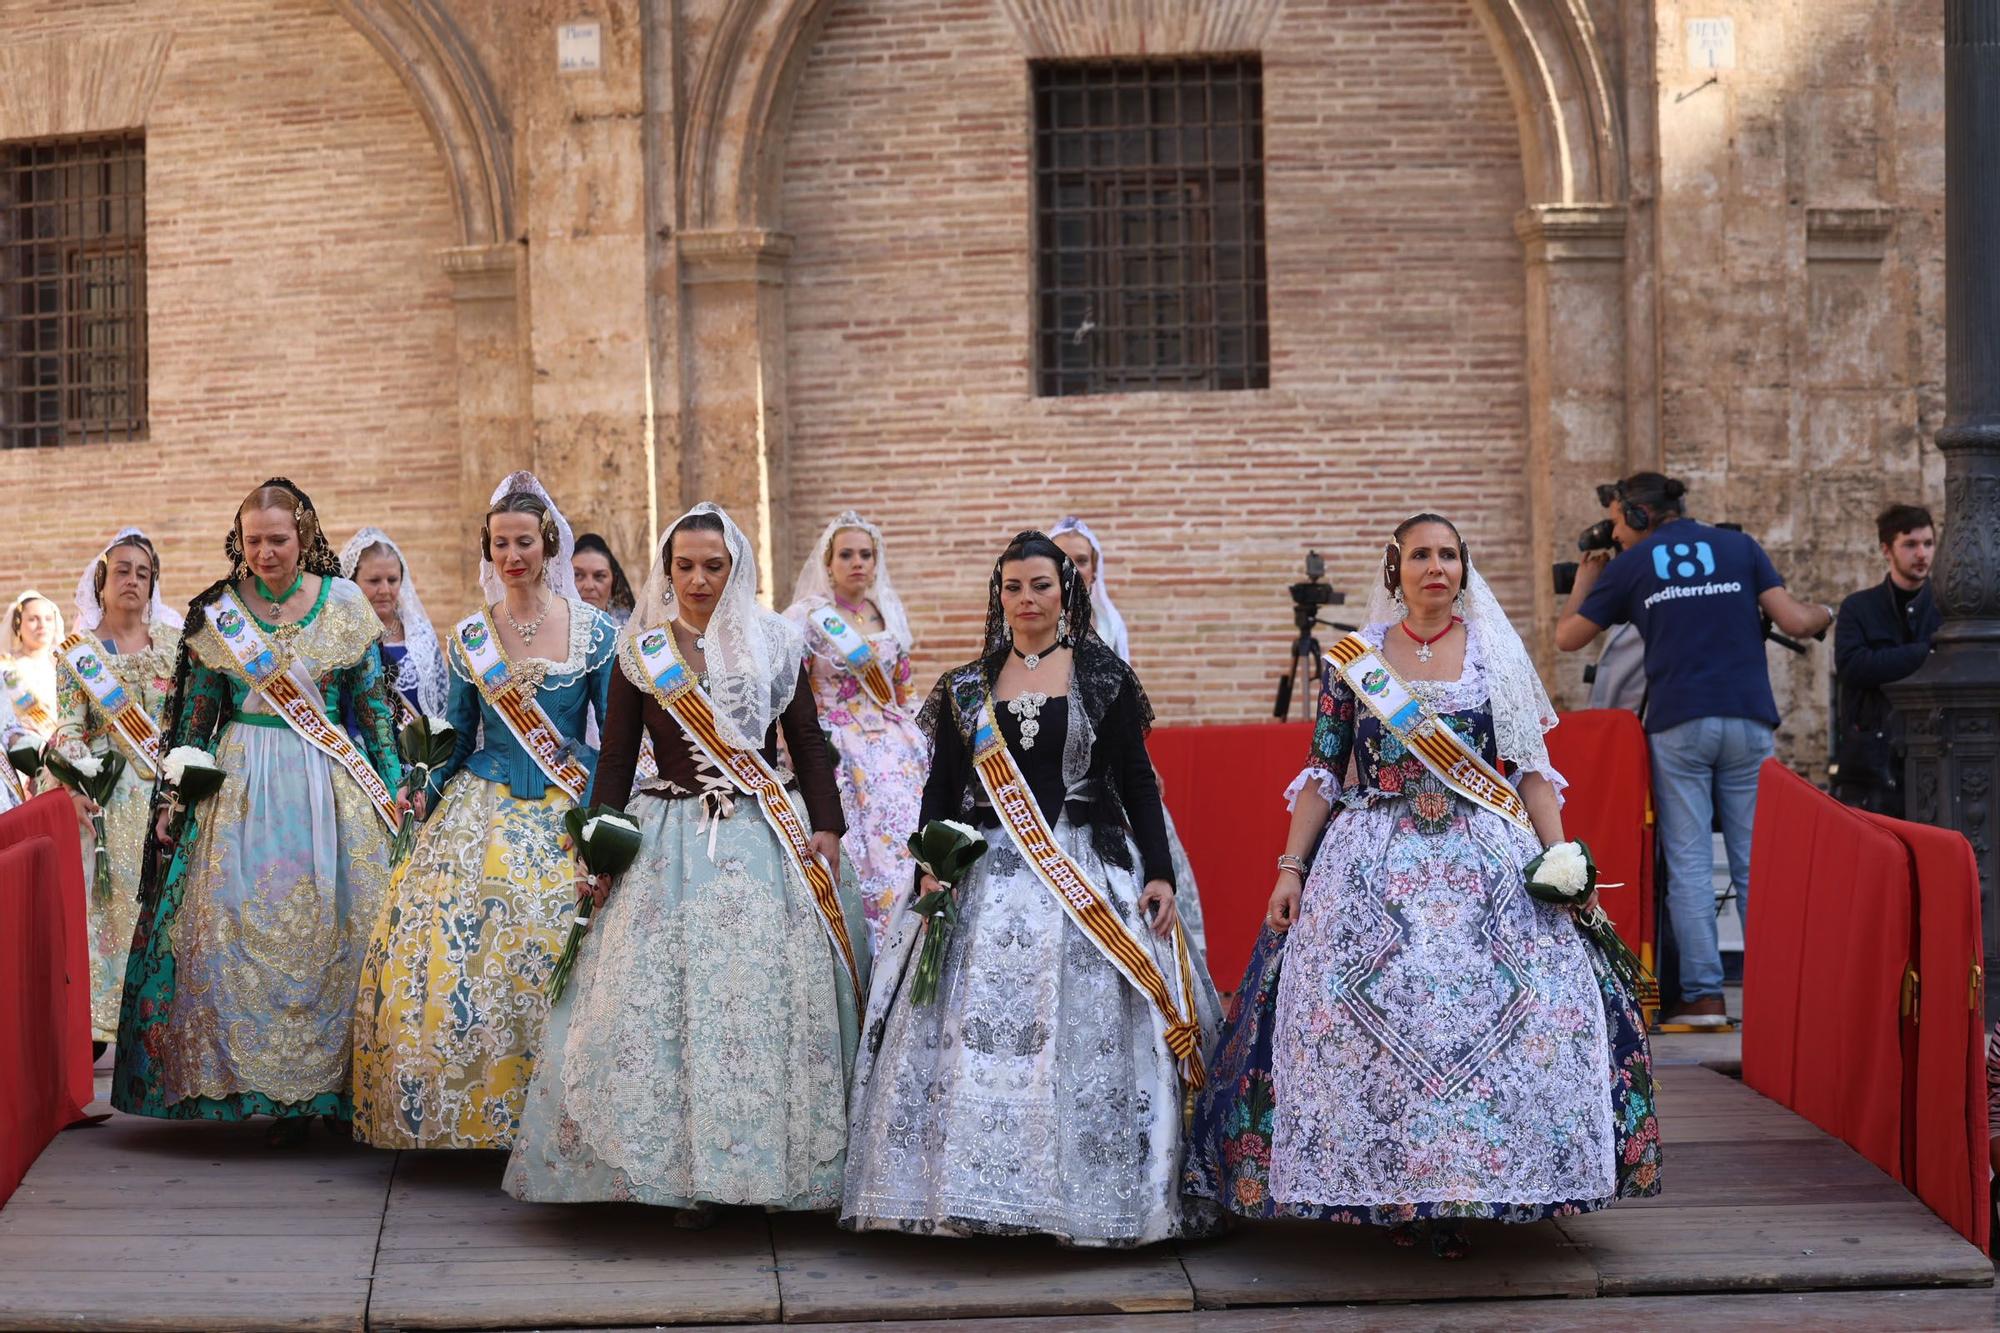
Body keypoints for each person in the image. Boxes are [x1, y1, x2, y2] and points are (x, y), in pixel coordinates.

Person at [1188, 514, 1661, 1258]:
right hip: (1372, 865)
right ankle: (1394, 1188)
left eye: (1447, 554)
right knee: (1367, 1017)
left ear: (1463, 569)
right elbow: (1322, 773)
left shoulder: (1498, 655)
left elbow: (1532, 775)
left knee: (1509, 1015)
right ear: (1395, 569)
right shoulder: (1358, 659)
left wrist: (1564, 860)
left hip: (1488, 864)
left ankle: (1477, 1183)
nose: (1434, 566)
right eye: (1419, 555)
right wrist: (1290, 869)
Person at [843, 531, 1220, 1247]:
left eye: (1041, 585)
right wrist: (931, 864)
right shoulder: (968, 686)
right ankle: (969, 1192)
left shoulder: (1101, 677)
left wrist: (1161, 870)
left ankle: (1087, 1200)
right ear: (1000, 594)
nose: (1027, 600)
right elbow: (942, 789)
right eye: (1013, 586)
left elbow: (1137, 781)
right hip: (984, 875)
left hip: (1083, 871)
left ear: (1065, 592)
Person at [505, 502, 866, 1219]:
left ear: (735, 567)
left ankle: (765, 1166)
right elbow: (613, 757)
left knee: (763, 1001)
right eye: (685, 565)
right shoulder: (641, 654)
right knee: (666, 1001)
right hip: (669, 835)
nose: (699, 578)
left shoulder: (775, 641)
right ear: (666, 570)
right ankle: (672, 1170)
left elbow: (807, 739)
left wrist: (826, 824)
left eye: (713, 565)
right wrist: (599, 840)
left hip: (767, 834)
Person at [112, 479, 405, 1145]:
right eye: (254, 540)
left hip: (328, 785)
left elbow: (375, 711)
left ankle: (333, 1093)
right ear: (239, 542)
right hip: (240, 788)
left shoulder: (347, 605)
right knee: (234, 933)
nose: (266, 551)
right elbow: (195, 718)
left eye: (278, 538)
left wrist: (392, 784)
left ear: (304, 535)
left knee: (338, 932)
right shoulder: (219, 613)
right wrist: (172, 799)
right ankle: (253, 1087)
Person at [351, 477, 616, 1150]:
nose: (512, 555)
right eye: (499, 544)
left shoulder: (595, 632)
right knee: (462, 953)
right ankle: (473, 1116)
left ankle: (564, 1111)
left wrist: (579, 759)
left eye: (523, 541)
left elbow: (616, 735)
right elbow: (459, 733)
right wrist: (423, 787)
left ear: (546, 542)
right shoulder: (471, 637)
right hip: (480, 807)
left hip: (564, 806)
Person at [1556, 472, 1832, 1028]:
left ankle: (1705, 998)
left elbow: (1568, 637)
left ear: (1637, 515)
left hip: (1679, 724)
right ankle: (1772, 998)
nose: (1614, 536)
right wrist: (1827, 612)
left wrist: (1587, 578)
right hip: (1748, 719)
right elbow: (1798, 621)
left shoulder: (1633, 565)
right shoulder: (1739, 547)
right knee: (1755, 862)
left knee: (1687, 862)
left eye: (1616, 523)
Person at [1049, 514, 1210, 952]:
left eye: (1080, 560)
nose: (1071, 568)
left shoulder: (1110, 626)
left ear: (1094, 570)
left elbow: (1123, 718)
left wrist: (1144, 761)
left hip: (1108, 770)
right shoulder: (1024, 630)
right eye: (1060, 559)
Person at [50, 529, 182, 1051]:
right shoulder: (78, 653)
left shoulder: (173, 647)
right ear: (102, 582)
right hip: (107, 801)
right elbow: (67, 726)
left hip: (164, 799)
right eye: (123, 571)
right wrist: (77, 777)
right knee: (103, 915)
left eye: (143, 573)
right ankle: (97, 1027)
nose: (133, 580)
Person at [783, 510, 925, 949]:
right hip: (838, 753)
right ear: (828, 563)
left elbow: (904, 688)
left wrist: (920, 740)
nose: (857, 562)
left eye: (866, 554)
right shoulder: (809, 619)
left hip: (895, 752)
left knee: (905, 849)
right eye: (846, 554)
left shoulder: (888, 615)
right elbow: (792, 695)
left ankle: (907, 939)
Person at [1832, 505, 1939, 818]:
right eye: (1910, 544)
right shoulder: (1859, 607)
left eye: (1928, 543)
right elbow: (1853, 667)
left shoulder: (1947, 608)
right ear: (1886, 550)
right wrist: (1925, 653)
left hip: (1934, 751)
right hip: (1873, 762)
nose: (1922, 553)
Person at [339, 527, 449, 722]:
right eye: (374, 581)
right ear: (352, 582)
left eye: (392, 580)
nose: (385, 590)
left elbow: (442, 705)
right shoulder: (338, 638)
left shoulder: (421, 636)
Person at [3, 589, 65, 742]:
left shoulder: (65, 666)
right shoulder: (6, 668)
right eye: (33, 619)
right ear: (18, 624)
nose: (42, 625)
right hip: (19, 753)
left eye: (48, 619)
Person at [572, 533, 636, 626]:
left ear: (613, 582)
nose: (589, 586)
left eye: (599, 576)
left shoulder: (629, 633)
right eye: (577, 575)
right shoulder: (548, 628)